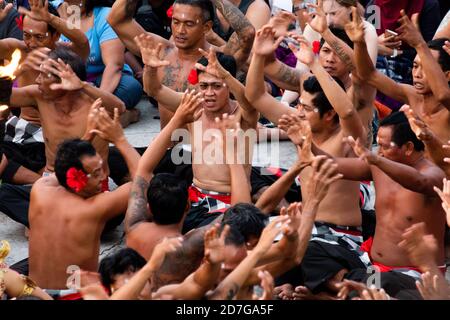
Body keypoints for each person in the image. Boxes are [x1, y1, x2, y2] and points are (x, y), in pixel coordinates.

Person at [139, 35, 259, 231]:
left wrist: (226, 75)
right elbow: (154, 90)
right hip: (193, 198)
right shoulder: (194, 106)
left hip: (230, 203)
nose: (209, 93)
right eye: (204, 86)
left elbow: (251, 103)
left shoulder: (243, 116)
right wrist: (150, 68)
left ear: (229, 85)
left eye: (216, 86)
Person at [0, 46, 124, 228]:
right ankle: (69, 221)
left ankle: (49, 219)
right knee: (4, 194)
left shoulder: (93, 101)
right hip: (51, 184)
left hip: (88, 188)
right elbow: (4, 98)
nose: (37, 79)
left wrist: (82, 85)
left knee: (114, 216)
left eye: (43, 75)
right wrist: (18, 70)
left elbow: (119, 107)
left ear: (64, 80)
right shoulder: (38, 95)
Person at [28, 106, 140, 290]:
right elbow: (145, 181)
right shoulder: (96, 207)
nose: (104, 177)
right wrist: (120, 139)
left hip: (32, 293)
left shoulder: (40, 189)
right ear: (77, 179)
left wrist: (88, 136)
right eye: (96, 173)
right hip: (73, 295)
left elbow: (63, 168)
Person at [331, 112, 446, 286]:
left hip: (414, 275)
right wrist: (305, 145)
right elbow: (331, 165)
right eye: (378, 145)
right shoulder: (379, 165)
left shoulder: (434, 175)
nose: (379, 152)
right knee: (314, 250)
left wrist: (377, 161)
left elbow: (419, 182)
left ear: (408, 147)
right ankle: (348, 288)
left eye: (385, 146)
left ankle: (345, 289)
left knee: (378, 284)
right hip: (372, 264)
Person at [107, 0, 255, 129]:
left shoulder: (219, 60)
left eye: (189, 24)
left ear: (206, 27)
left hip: (205, 153)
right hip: (168, 151)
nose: (180, 31)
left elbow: (247, 33)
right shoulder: (160, 51)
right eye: (176, 22)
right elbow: (116, 20)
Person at [0, 0, 89, 179]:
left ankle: (43, 182)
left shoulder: (67, 56)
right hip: (18, 128)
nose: (31, 43)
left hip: (49, 136)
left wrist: (50, 18)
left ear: (56, 35)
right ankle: (41, 181)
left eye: (39, 37)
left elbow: (82, 41)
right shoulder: (17, 48)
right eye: (26, 35)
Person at [52, 0, 143, 127]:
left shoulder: (106, 15)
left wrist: (100, 100)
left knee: (130, 87)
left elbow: (114, 65)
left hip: (105, 80)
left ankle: (95, 112)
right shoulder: (61, 14)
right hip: (71, 79)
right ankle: (115, 116)